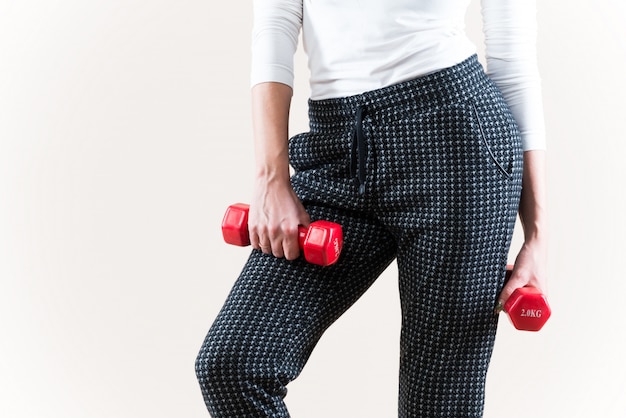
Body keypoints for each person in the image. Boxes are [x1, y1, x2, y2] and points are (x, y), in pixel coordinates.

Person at [196, 0, 547, 416]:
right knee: (232, 366)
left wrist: (538, 233)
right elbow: (275, 22)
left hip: (457, 147)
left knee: (438, 405)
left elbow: (512, 59)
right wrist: (271, 177)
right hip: (335, 145)